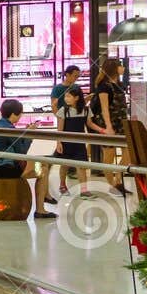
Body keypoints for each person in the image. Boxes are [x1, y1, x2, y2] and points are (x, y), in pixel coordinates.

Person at [0, 98, 54, 220]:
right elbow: (22, 151)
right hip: (6, 168)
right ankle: (41, 209)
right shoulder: (9, 129)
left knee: (44, 163)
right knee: (43, 169)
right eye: (20, 114)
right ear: (14, 114)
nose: (21, 116)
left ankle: (46, 195)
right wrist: (30, 134)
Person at [88, 58, 130, 194]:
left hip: (121, 122)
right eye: (120, 66)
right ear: (114, 68)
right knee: (109, 154)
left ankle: (118, 179)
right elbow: (105, 108)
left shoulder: (119, 84)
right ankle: (112, 184)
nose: (123, 68)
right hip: (109, 123)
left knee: (128, 151)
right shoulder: (104, 87)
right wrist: (108, 126)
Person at [48, 66, 83, 197]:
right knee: (64, 153)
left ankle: (82, 187)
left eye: (78, 75)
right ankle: (62, 183)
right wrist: (59, 115)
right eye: (75, 75)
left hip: (76, 122)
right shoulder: (58, 89)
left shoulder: (77, 88)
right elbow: (54, 106)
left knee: (75, 156)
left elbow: (80, 103)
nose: (76, 78)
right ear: (67, 75)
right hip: (64, 120)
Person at [53, 84, 93, 196]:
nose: (66, 99)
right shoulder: (63, 110)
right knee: (64, 165)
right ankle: (62, 185)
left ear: (76, 98)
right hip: (66, 142)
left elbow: (90, 124)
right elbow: (59, 129)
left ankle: (84, 190)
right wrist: (59, 142)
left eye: (69, 96)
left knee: (81, 166)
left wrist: (103, 130)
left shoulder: (85, 110)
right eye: (65, 97)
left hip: (80, 142)